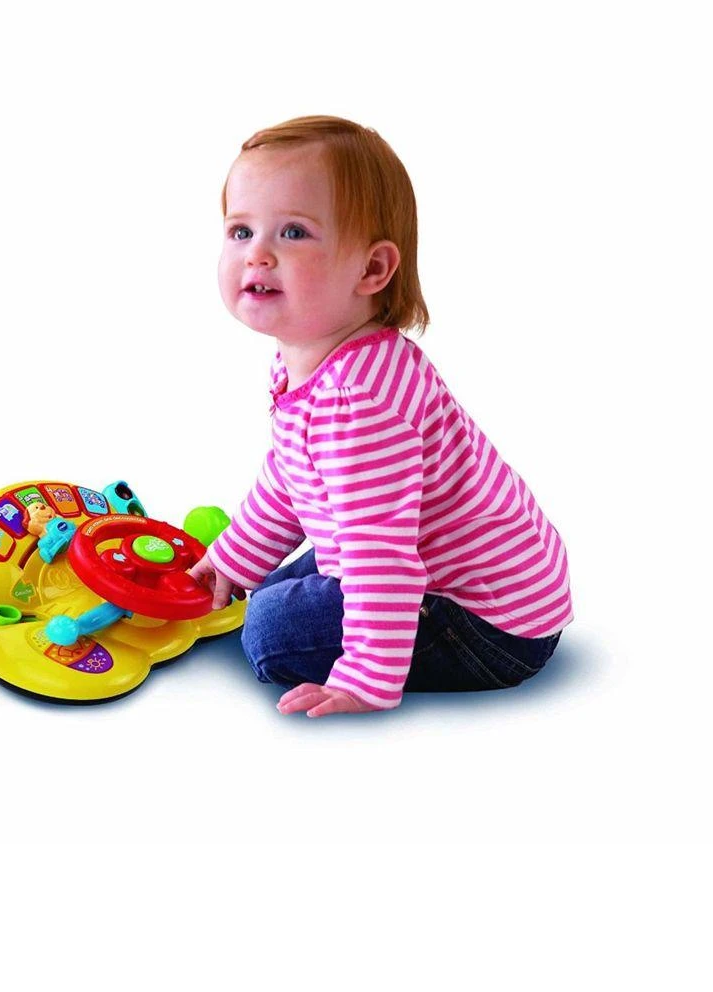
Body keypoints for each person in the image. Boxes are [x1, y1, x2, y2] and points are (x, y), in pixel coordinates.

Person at [187, 115, 573, 717]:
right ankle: (283, 591)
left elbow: (379, 553)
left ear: (371, 270)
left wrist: (365, 679)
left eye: (293, 232)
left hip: (490, 624)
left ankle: (377, 658)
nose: (256, 254)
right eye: (241, 231)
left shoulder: (358, 402)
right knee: (262, 585)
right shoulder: (317, 361)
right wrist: (233, 559)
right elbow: (291, 478)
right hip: (467, 576)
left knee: (267, 629)